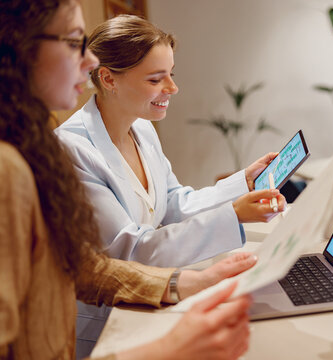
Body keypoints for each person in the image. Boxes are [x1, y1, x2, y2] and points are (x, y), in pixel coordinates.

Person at [0, 0, 255, 359]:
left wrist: (181, 283)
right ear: (19, 47)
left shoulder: (36, 140)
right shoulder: (19, 164)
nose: (88, 61)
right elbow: (127, 250)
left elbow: (82, 265)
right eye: (74, 42)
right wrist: (168, 349)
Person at [54, 15, 286, 355]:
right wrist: (232, 217)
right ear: (108, 78)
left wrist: (242, 183)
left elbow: (175, 203)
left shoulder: (142, 129)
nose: (172, 89)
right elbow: (129, 251)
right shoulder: (71, 150)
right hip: (104, 327)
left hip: (148, 305)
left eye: (171, 75)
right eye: (155, 79)